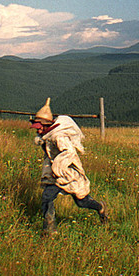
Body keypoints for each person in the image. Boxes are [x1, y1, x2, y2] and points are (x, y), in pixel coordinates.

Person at [30, 98, 107, 234]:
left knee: (81, 202)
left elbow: (69, 152)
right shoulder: (48, 135)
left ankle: (100, 207)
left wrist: (57, 167)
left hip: (69, 173)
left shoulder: (58, 137)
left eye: (39, 126)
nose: (38, 129)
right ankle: (50, 229)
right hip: (56, 174)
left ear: (46, 125)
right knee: (47, 197)